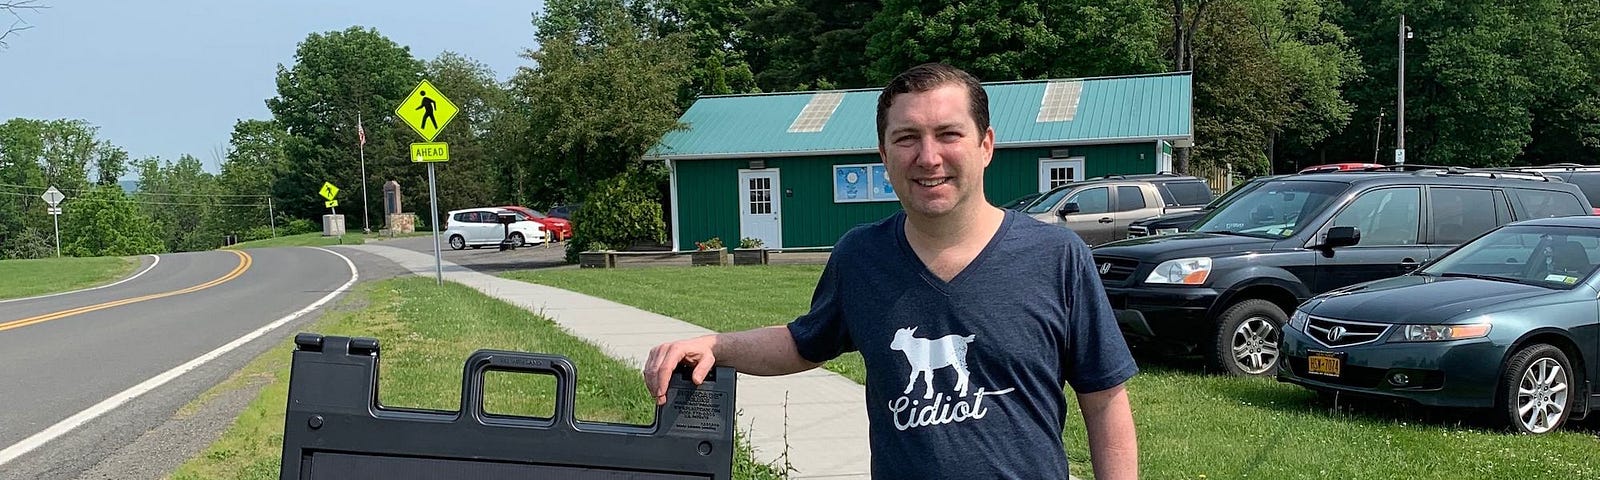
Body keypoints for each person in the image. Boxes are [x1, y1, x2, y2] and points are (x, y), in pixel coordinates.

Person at [642, 63, 1139, 479]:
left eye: (949, 134)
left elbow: (1105, 400)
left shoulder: (1056, 255)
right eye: (907, 138)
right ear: (883, 155)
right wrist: (715, 345)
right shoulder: (861, 257)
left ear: (986, 145)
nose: (928, 157)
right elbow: (801, 342)